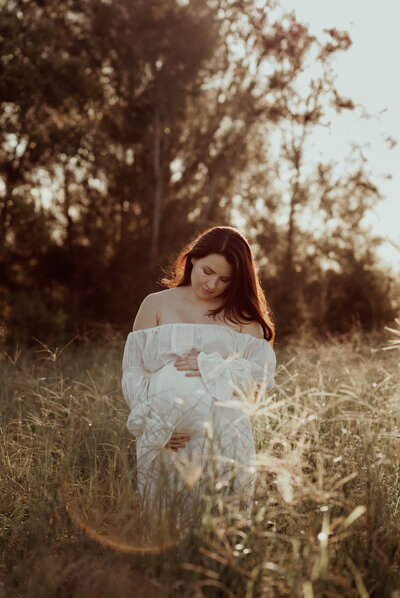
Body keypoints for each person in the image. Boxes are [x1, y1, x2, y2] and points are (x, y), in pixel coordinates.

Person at [121, 226, 276, 510]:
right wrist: (153, 426)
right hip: (167, 438)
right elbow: (134, 372)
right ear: (192, 259)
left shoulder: (242, 317)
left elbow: (261, 376)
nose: (212, 284)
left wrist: (211, 365)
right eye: (207, 271)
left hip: (225, 438)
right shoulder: (155, 304)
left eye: (225, 279)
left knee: (220, 527)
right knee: (164, 524)